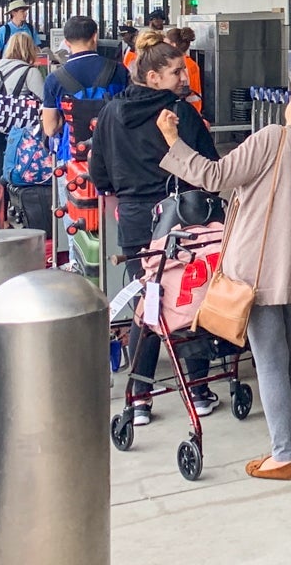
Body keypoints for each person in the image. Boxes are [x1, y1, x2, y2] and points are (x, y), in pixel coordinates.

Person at [156, 75, 291, 481]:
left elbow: (213, 176)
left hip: (255, 273)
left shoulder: (272, 137)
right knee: (284, 356)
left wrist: (173, 140)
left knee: (270, 363)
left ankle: (283, 454)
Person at [88, 31, 218, 425]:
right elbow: (208, 169)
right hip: (180, 218)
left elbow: (99, 174)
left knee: (149, 302)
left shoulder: (111, 113)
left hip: (133, 220)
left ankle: (140, 396)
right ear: (153, 76)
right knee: (187, 299)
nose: (184, 77)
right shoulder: (180, 114)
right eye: (177, 71)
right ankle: (198, 390)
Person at [41, 15, 129, 142]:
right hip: (113, 146)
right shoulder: (119, 70)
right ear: (95, 37)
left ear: (66, 43)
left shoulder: (54, 79)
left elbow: (50, 129)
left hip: (72, 149)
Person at [0, 32, 46, 172]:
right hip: (19, 126)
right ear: (29, 49)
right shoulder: (30, 72)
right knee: (17, 162)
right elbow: (44, 99)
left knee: (1, 157)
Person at [164, 27, 204, 113]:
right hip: (193, 108)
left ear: (173, 45)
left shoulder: (180, 65)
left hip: (184, 110)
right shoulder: (191, 63)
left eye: (165, 44)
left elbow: (181, 90)